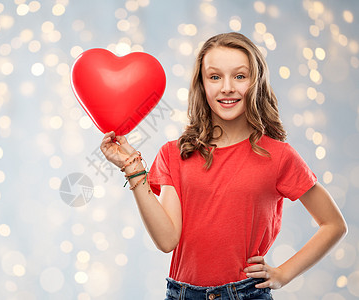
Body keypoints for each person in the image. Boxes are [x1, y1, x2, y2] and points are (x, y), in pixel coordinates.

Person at [100, 32, 347, 300]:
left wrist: (283, 274)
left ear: (256, 82)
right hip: (182, 294)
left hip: (245, 294)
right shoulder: (175, 153)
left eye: (240, 76)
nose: (227, 87)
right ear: (202, 84)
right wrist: (132, 167)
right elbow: (167, 239)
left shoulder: (278, 156)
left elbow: (333, 224)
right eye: (215, 77)